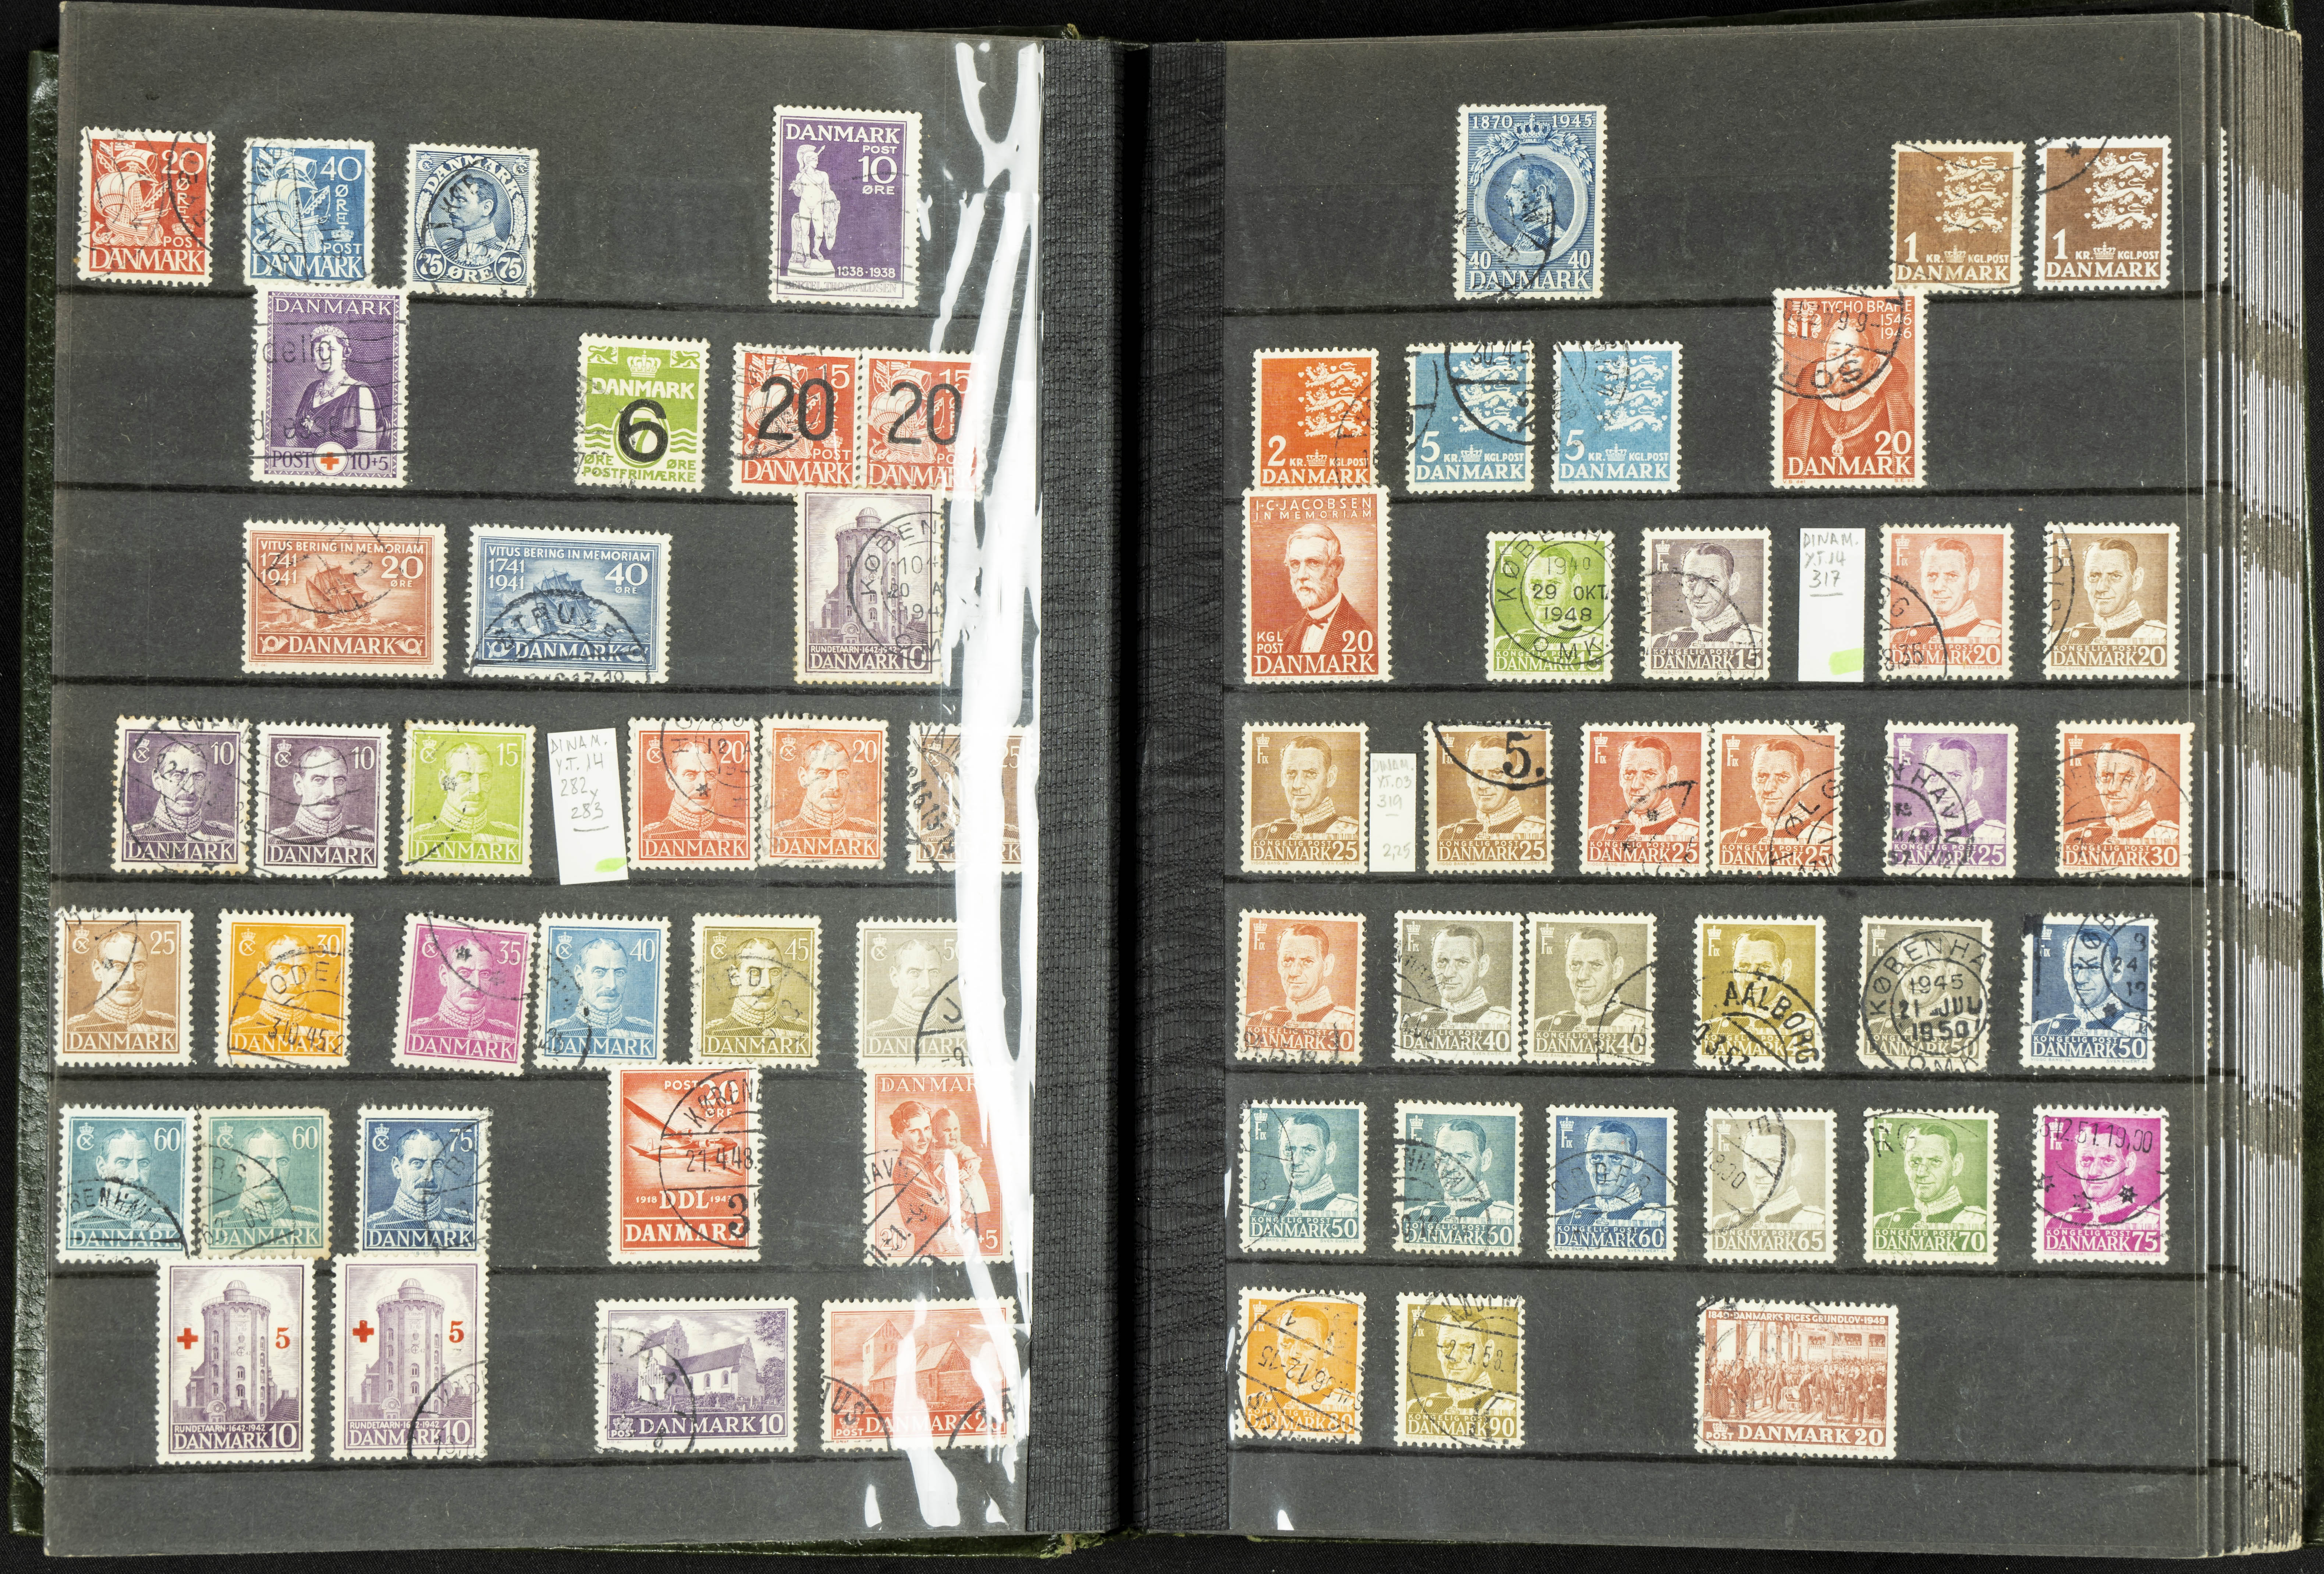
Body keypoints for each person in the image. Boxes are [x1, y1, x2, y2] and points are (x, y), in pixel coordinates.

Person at [1782, 312, 1915, 469]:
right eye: (1834, 354)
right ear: (1824, 365)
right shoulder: (1793, 418)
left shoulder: (1902, 416)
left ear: (1872, 366)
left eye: (1853, 354)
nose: (1842, 365)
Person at [1400, 1305, 1520, 1438]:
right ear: (1438, 1352)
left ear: (1487, 1353)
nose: (1454, 1357)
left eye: (1467, 1347)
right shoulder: (1415, 1408)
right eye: (1447, 1346)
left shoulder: (1512, 1409)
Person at [1717, 737, 1837, 859]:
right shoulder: (1728, 839)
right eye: (1762, 776)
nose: (1769, 788)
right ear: (1753, 781)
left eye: (1783, 777)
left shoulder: (1828, 839)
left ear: (1804, 781)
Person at [1273, 522, 1374, 660]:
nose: (1302, 575)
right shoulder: (1287, 636)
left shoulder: (1362, 633)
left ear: (1336, 567)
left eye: (1313, 563)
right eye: (1295, 564)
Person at [2034, 925, 2151, 1041]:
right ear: (2065, 971)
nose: (2081, 979)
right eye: (2074, 967)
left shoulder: (2142, 1031)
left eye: (2095, 968)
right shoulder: (2042, 1030)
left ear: (2117, 971)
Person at [2063, 735, 2180, 851]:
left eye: (2127, 778)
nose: (2113, 788)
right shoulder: (2072, 840)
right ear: (2097, 781)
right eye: (2105, 777)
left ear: (2148, 780)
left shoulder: (2174, 838)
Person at [1586, 734, 1699, 852]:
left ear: (1671, 777)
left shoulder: (1695, 835)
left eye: (1650, 774)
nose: (1636, 786)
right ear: (1620, 778)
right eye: (1629, 774)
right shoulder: (1596, 836)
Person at [406, 743, 522, 857]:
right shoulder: (417, 838)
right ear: (444, 781)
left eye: (485, 777)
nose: (477, 790)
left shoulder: (513, 837)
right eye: (464, 776)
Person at [1242, 923, 1358, 1036]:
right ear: (1278, 964)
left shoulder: (1350, 1024)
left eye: (1307, 962)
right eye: (1287, 961)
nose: (1294, 973)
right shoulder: (1255, 1022)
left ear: (1327, 966)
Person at [1871, 1120, 1987, 1233]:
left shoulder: (1982, 1224)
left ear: (1956, 1165)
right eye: (1915, 1162)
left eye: (1935, 1161)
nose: (1921, 1173)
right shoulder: (1881, 1224)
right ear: (1906, 1165)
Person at [1535, 926, 1651, 1038]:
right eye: (1575, 964)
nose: (1582, 976)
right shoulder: (1542, 1026)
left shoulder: (1641, 1027)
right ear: (1567, 968)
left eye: (1596, 965)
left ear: (1616, 969)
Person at [1710, 1122, 1826, 1234]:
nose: (1760, 1173)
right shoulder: (1720, 1224)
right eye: (1753, 1161)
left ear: (1795, 1166)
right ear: (1744, 1165)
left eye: (1774, 1162)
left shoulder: (1821, 1223)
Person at [1401, 1117, 1515, 1230]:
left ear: (1485, 1161)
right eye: (1444, 1156)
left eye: (1465, 1157)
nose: (1451, 1168)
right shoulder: (1413, 1217)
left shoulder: (1509, 1218)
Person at [1436, 736, 1547, 851]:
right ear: (1468, 777)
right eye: (1476, 774)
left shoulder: (1542, 833)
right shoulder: (1445, 836)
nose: (1483, 785)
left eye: (1497, 773)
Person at [285, 322, 380, 452]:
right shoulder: (311, 389)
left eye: (332, 350)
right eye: (319, 350)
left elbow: (368, 446)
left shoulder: (360, 392)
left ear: (344, 354)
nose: (324, 356)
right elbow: (294, 438)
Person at [1892, 536, 2001, 649]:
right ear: (1922, 580)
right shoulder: (1901, 638)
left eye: (1952, 576)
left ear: (1972, 580)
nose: (1938, 588)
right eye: (1931, 575)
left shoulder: (1997, 637)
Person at [127, 741, 239, 851]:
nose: (191, 789)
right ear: (157, 781)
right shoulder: (133, 839)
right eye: (178, 776)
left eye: (199, 776)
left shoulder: (229, 837)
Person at [1651, 541, 1758, 655]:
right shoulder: (1659, 643)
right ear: (1682, 584)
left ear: (1732, 585)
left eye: (1712, 582)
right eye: (1692, 581)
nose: (1699, 593)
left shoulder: (1758, 642)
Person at [209, 1126, 321, 1234]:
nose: (275, 1174)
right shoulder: (220, 1226)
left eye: (282, 1162)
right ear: (242, 1168)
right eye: (262, 1162)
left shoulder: (314, 1221)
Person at [364, 1126, 475, 1233]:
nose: (430, 1177)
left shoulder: (467, 1225)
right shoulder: (373, 1227)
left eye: (438, 1164)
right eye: (417, 1163)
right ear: (397, 1169)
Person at [266, 743, 375, 852]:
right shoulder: (274, 842)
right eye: (319, 780)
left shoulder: (369, 841)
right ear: (299, 785)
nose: (332, 794)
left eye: (340, 781)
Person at [1262, 1303, 1357, 1427]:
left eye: (1307, 1344)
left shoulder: (1350, 1405)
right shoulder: (1260, 1402)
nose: (1293, 1354)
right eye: (1286, 1343)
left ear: (1328, 1347)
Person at [1910, 735, 2008, 855]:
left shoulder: (2003, 837)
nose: (1941, 788)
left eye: (1955, 776)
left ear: (1976, 780)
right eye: (1933, 776)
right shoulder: (1909, 837)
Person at [2061, 536, 2169, 646]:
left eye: (2115, 576)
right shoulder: (2062, 639)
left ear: (2136, 580)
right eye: (2094, 576)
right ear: (2085, 580)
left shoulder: (2163, 638)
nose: (2101, 588)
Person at [1251, 1111, 1359, 1219]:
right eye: (1289, 1150)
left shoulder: (1354, 1211)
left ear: (1329, 1154)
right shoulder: (1258, 1212)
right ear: (1280, 1153)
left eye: (1309, 1150)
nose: (1296, 1161)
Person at [546, 937, 657, 1042]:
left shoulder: (647, 1033)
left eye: (620, 973)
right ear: (580, 977)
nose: (612, 985)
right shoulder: (555, 1034)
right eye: (599, 972)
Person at [64, 928, 175, 1032]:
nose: (132, 979)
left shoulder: (170, 1027)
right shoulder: (74, 1029)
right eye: (118, 966)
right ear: (98, 971)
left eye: (139, 966)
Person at [68, 1126, 173, 1235]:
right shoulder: (79, 1226)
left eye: (144, 1163)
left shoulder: (171, 1224)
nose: (135, 1176)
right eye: (123, 1163)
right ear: (102, 1168)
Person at [1251, 735, 1358, 841]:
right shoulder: (1260, 835)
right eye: (1291, 773)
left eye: (1311, 774)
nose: (1297, 785)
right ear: (1282, 777)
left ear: (1330, 777)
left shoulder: (1354, 833)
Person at [1408, 924, 1513, 1032]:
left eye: (1462, 962)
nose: (1448, 974)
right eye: (1442, 962)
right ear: (1433, 965)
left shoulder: (1506, 1023)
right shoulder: (1414, 1023)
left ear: (1482, 966)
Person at [1567, 1119, 1670, 1228]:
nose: (1602, 1171)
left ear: (1636, 1163)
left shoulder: (1660, 1220)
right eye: (1596, 1158)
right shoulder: (1567, 1219)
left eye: (1616, 1159)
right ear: (1587, 1162)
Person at [408, 937, 513, 1041]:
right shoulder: (417, 1032)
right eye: (464, 973)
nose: (476, 985)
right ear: (444, 976)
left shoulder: (509, 1035)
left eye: (485, 974)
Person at [773, 739, 879, 841]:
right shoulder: (780, 834)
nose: (836, 786)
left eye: (843, 774)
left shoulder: (871, 833)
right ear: (804, 778)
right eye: (823, 773)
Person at [705, 937, 811, 1039]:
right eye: (755, 972)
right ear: (735, 977)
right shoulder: (712, 1033)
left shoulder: (803, 1032)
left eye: (775, 972)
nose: (767, 984)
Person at [2053, 1118, 2153, 1226]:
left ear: (2129, 1165)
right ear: (2077, 1164)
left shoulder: (2152, 1222)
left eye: (2108, 1161)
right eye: (2086, 1160)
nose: (2093, 1172)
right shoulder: (2056, 1223)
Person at [643, 740, 747, 841]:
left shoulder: (740, 834)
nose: (703, 785)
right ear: (671, 781)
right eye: (691, 775)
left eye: (710, 775)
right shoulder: (650, 837)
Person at [227, 934, 323, 1044]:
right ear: (263, 973)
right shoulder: (238, 1031)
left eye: (304, 969)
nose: (296, 981)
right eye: (283, 969)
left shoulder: (332, 1028)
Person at [431, 169, 514, 268]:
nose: (451, 210)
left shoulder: (502, 255)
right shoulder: (447, 249)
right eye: (452, 201)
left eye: (461, 201)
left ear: (486, 208)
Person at [877, 934, 957, 1034]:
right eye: (914, 973)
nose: (927, 986)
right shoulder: (875, 1033)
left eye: (934, 973)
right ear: (895, 977)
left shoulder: (958, 1031)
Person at [787, 142, 840, 276]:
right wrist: (796, 187)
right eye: (815, 160)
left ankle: (816, 250)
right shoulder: (801, 176)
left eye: (817, 160)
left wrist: (833, 203)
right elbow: (799, 194)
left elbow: (828, 192)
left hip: (818, 206)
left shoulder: (823, 175)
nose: (817, 162)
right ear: (807, 161)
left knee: (820, 233)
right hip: (805, 206)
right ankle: (808, 257)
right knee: (805, 233)